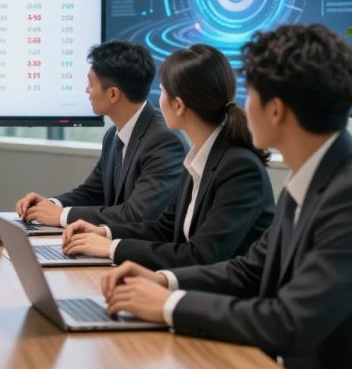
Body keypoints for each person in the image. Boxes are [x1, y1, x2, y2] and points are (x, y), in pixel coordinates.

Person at [100, 25, 352, 369]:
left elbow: (290, 322)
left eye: (249, 95)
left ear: (276, 110)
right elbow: (250, 268)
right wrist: (163, 281)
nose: (241, 107)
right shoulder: (316, 175)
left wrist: (169, 304)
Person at [61, 44, 274, 269]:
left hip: (228, 298)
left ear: (179, 105)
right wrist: (104, 232)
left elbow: (201, 256)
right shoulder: (200, 159)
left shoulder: (239, 168)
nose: (158, 100)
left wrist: (111, 248)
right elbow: (164, 228)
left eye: (162, 90)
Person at [16, 40, 186, 226]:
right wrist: (50, 204)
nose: (87, 90)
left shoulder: (164, 141)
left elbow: (136, 215)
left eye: (91, 83)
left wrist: (62, 216)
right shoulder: (114, 135)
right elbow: (92, 193)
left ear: (113, 94)